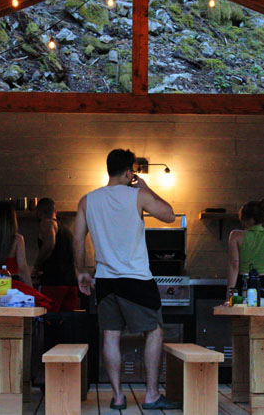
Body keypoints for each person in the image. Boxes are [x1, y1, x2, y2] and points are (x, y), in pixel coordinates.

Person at [73, 148, 181, 411]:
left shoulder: (88, 200)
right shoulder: (138, 195)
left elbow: (77, 239)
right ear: (128, 171)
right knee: (154, 331)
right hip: (137, 280)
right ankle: (152, 395)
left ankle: (118, 396)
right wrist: (147, 188)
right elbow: (169, 214)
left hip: (106, 280)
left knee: (111, 335)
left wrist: (81, 272)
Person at [227, 198, 264, 294]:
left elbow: (234, 266)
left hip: (243, 283)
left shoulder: (235, 235)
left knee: (242, 308)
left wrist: (229, 295)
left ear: (248, 219)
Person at [33, 197, 78, 312]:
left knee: (49, 321)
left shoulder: (47, 223)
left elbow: (49, 244)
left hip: (53, 282)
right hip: (71, 283)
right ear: (55, 212)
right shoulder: (66, 230)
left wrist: (37, 266)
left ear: (38, 213)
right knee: (67, 324)